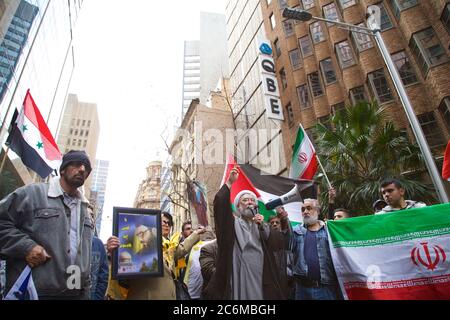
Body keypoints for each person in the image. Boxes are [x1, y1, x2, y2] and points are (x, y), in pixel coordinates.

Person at [0, 150, 94, 300]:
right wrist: (26, 247)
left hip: (76, 293)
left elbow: (85, 257)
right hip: (35, 292)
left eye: (86, 168)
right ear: (63, 169)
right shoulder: (32, 194)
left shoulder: (87, 210)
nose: (82, 169)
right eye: (76, 164)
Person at [203, 167, 289, 300]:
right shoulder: (232, 224)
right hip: (238, 277)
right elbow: (220, 205)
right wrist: (230, 183)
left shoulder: (263, 226)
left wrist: (264, 226)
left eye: (252, 200)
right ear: (238, 207)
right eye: (245, 200)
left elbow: (280, 243)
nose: (249, 202)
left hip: (260, 278)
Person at [106, 212, 205, 300]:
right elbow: (122, 277)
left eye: (168, 223)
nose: (166, 224)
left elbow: (181, 248)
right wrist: (114, 254)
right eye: (163, 221)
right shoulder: (134, 251)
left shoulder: (169, 248)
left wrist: (196, 233)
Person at [291, 199, 342, 300]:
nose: (305, 211)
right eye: (303, 209)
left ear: (318, 211)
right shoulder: (295, 231)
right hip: (301, 290)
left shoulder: (328, 231)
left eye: (309, 208)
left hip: (325, 289)